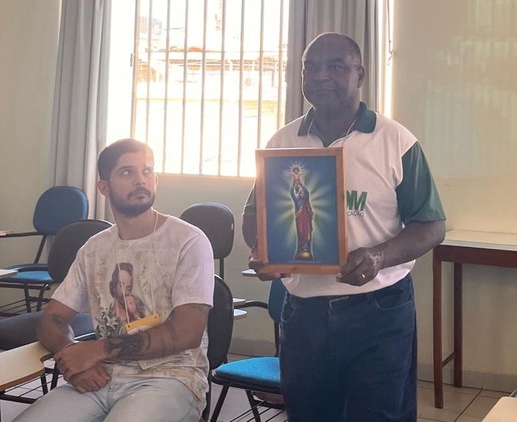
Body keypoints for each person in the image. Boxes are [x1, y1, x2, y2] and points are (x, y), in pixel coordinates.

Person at [243, 32, 446, 422]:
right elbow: (255, 215)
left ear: (360, 75)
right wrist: (263, 251)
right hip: (303, 315)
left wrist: (379, 255)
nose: (321, 76)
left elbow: (431, 225)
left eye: (335, 66)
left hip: (378, 311)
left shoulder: (395, 140)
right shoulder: (283, 141)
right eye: (311, 67)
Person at [15, 138, 215, 422]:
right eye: (127, 172)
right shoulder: (94, 249)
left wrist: (97, 350)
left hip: (171, 378)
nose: (140, 180)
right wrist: (72, 353)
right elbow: (52, 319)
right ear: (104, 187)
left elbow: (188, 331)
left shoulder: (188, 240)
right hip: (102, 377)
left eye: (147, 171)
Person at [290, 178, 314, 260]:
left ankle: (306, 249)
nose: (302, 194)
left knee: (307, 235)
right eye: (301, 193)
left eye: (303, 193)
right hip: (300, 222)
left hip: (306, 222)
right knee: (300, 235)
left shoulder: (306, 201)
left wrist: (301, 184)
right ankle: (300, 250)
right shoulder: (297, 201)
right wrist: (293, 185)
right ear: (299, 194)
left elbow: (307, 192)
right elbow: (292, 194)